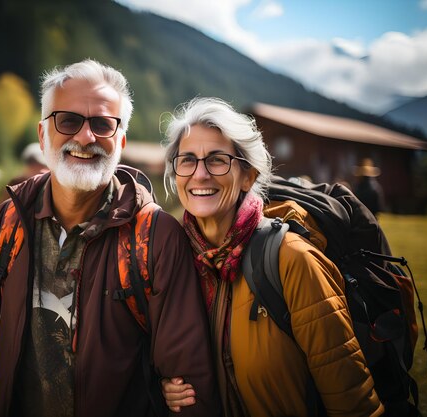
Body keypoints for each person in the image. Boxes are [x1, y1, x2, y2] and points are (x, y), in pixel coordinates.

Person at [0, 60, 220, 417]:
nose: (85, 137)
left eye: (102, 124)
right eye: (68, 120)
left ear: (121, 140)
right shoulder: (8, 223)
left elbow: (188, 381)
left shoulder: (155, 237)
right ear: (42, 134)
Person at [159, 97, 384, 417]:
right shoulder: (174, 258)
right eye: (187, 160)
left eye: (218, 160)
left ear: (248, 176)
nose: (200, 174)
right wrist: (166, 386)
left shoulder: (292, 261)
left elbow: (352, 401)